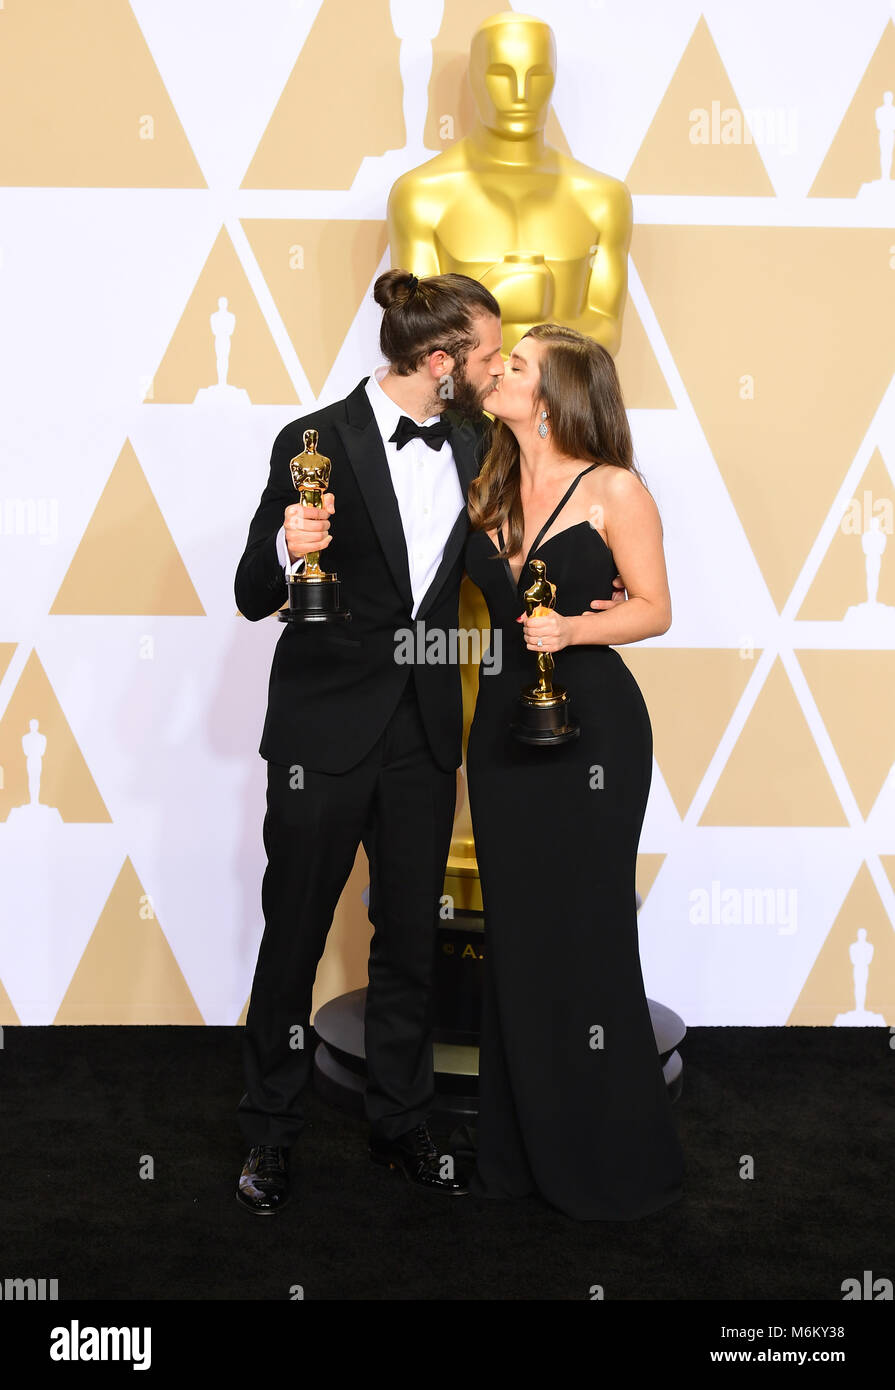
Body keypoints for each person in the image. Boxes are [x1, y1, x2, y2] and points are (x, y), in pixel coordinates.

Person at [233, 269, 504, 1212]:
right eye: (486, 357)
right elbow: (251, 594)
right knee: (295, 935)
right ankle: (269, 1133)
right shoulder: (310, 441)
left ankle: (399, 1121)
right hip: (321, 731)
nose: (494, 370)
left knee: (408, 943)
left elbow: (496, 581)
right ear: (439, 363)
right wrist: (286, 545)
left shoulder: (477, 444)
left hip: (425, 735)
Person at [463, 322, 685, 1220]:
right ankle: (516, 1154)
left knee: (587, 927)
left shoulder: (614, 489)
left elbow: (655, 608)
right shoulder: (488, 481)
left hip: (593, 732)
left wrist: (574, 629)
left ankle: (610, 1160)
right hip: (502, 733)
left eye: (514, 366)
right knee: (514, 929)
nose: (498, 371)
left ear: (551, 399)